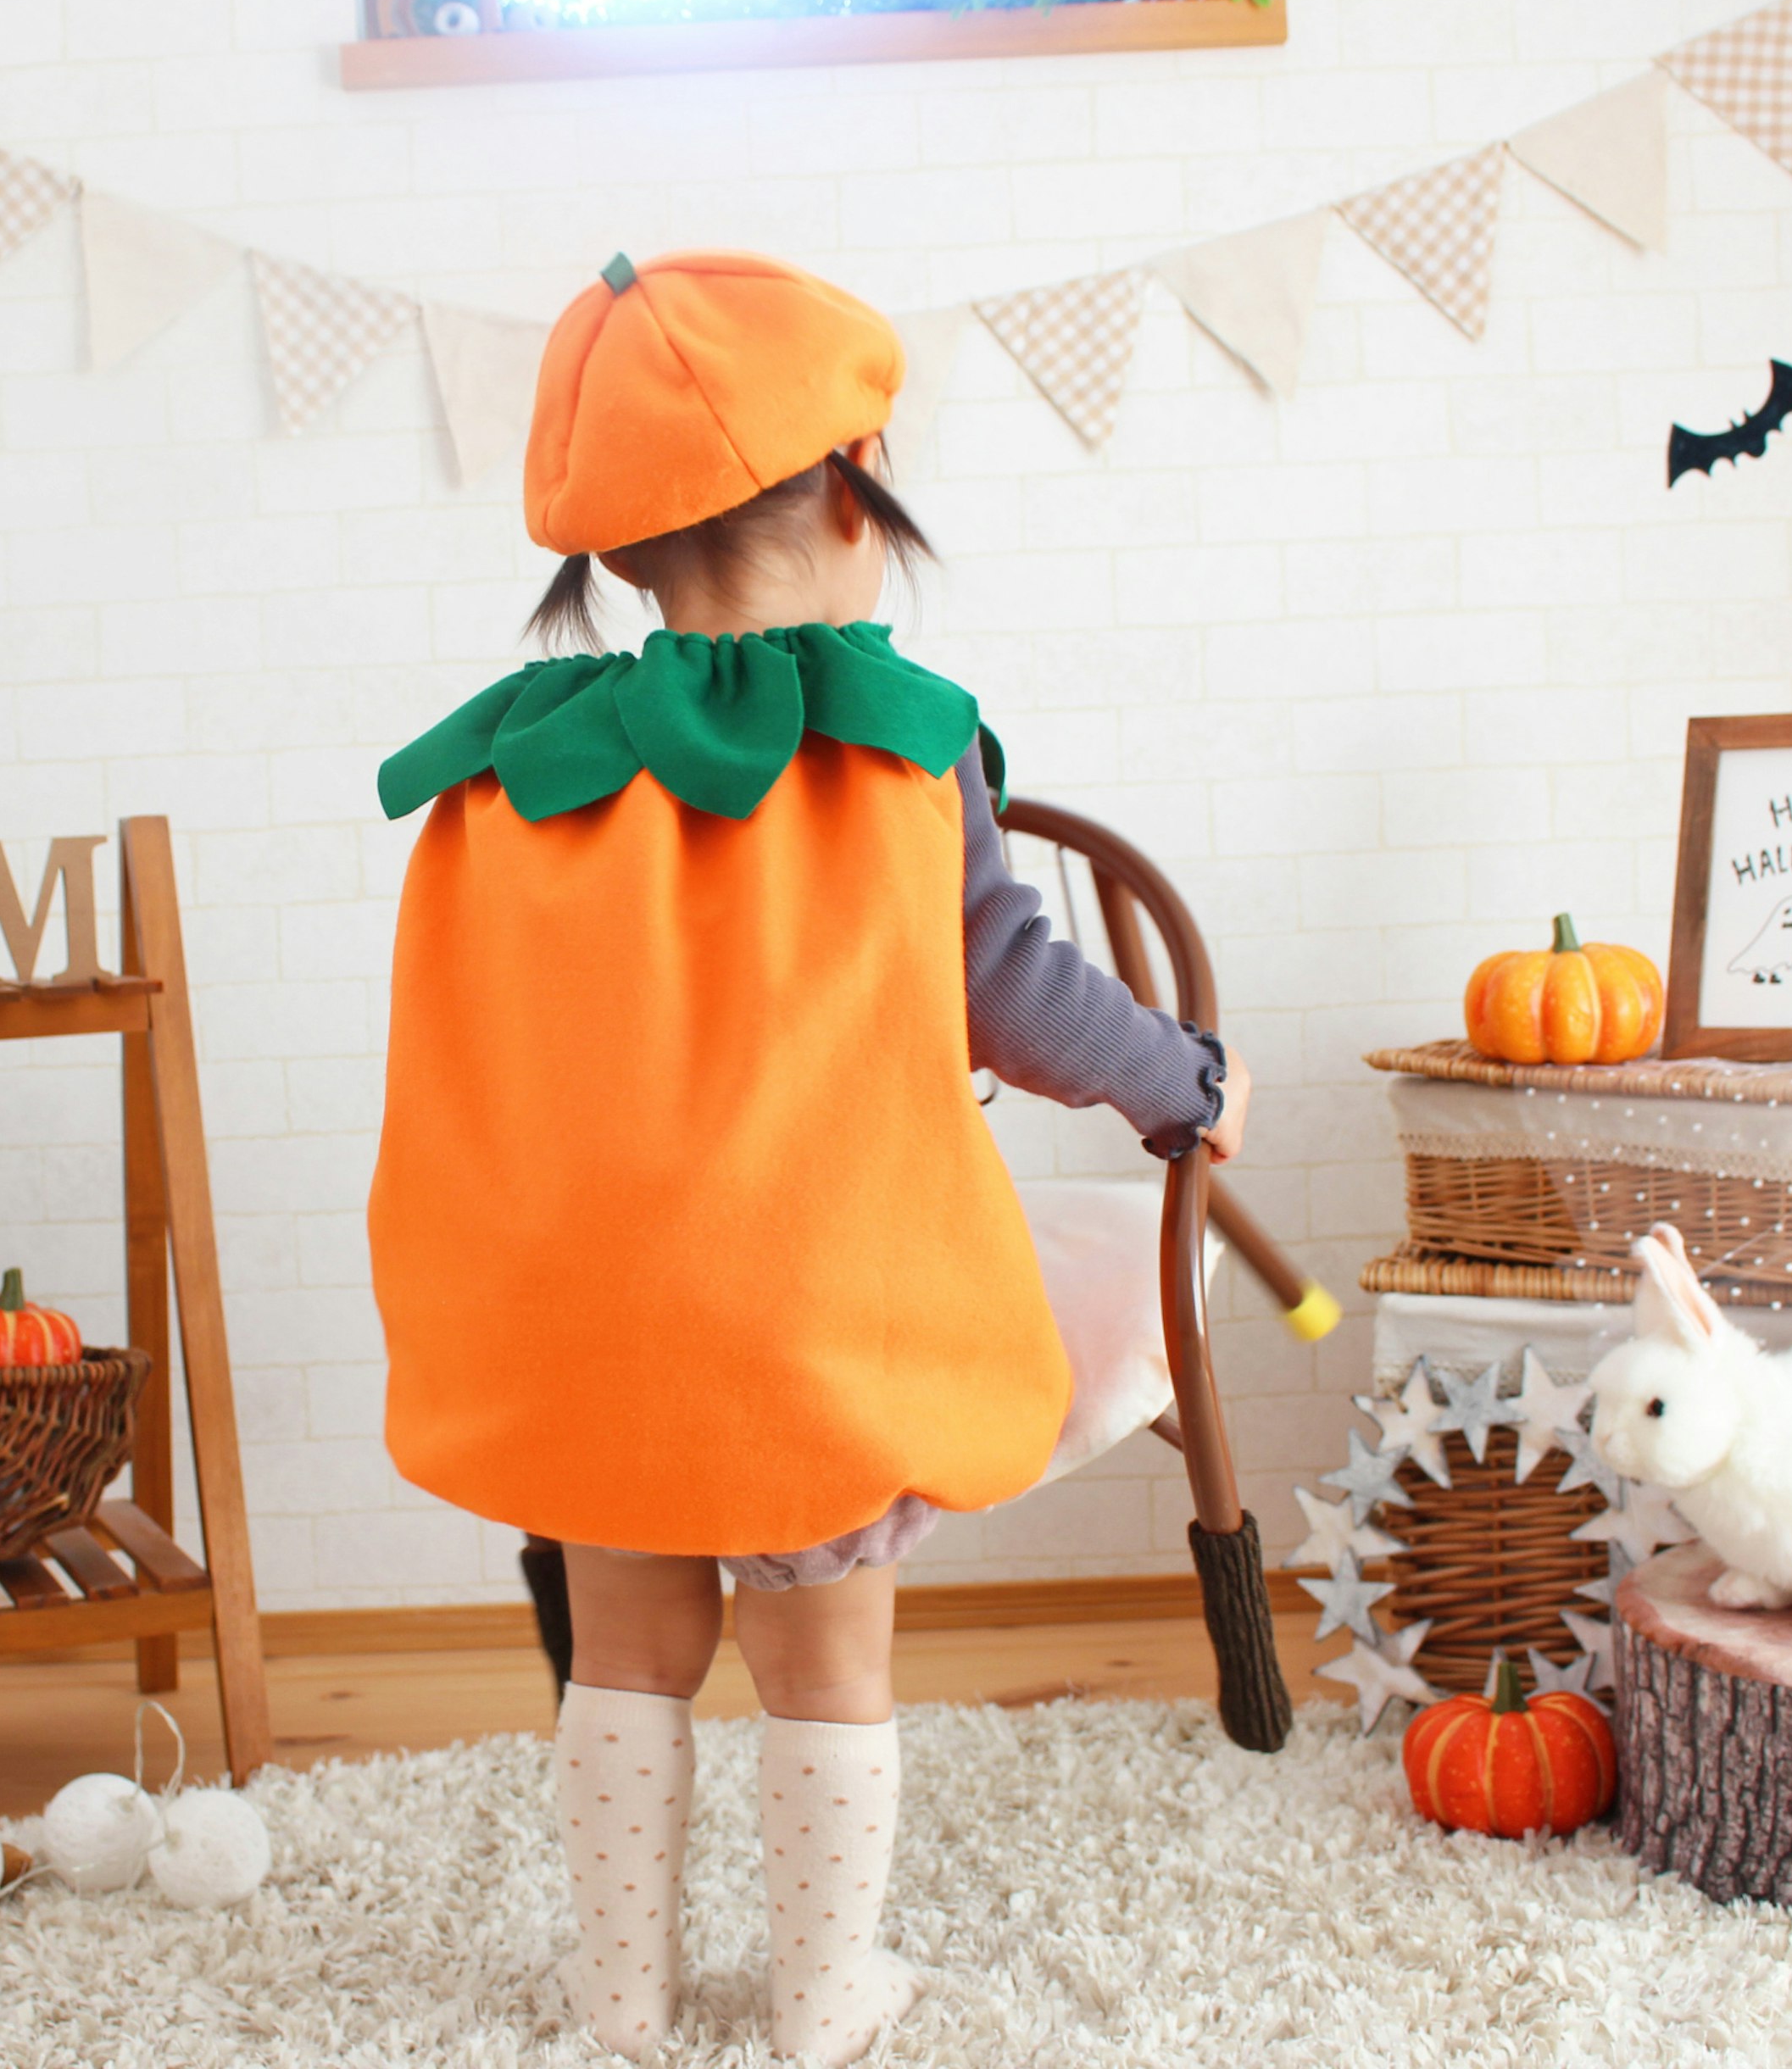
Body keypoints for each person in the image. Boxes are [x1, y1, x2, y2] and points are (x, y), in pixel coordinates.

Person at [369, 249, 1249, 2065]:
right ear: (857, 492)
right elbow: (1016, 991)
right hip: (810, 1325)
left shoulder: (523, 769)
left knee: (622, 1654)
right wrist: (1182, 1082)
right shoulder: (901, 753)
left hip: (590, 1325)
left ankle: (617, 1996)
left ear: (610, 555)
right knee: (825, 1668)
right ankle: (821, 1990)